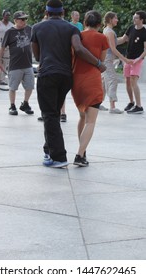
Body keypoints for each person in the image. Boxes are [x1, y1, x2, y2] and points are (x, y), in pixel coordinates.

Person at [31, 0, 106, 168]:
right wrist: (98, 63)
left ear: (47, 11)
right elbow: (78, 49)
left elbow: (36, 56)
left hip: (47, 74)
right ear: (63, 12)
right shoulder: (72, 28)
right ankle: (48, 149)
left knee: (49, 115)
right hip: (65, 76)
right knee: (54, 114)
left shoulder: (37, 28)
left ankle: (58, 157)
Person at [72, 10, 109, 167]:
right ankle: (80, 155)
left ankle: (83, 149)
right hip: (92, 81)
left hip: (76, 80)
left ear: (85, 22)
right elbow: (101, 59)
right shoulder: (102, 38)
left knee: (82, 117)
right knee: (91, 121)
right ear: (100, 24)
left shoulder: (77, 35)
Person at [0, 11, 35, 116]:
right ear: (16, 20)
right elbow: (2, 47)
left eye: (25, 19)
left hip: (28, 64)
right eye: (22, 19)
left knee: (30, 86)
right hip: (15, 65)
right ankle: (12, 106)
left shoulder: (30, 29)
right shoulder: (10, 32)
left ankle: (25, 103)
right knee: (13, 87)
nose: (24, 21)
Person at [102, 12, 133, 114]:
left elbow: (114, 42)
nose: (117, 20)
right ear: (110, 19)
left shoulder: (108, 30)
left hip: (106, 59)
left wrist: (124, 38)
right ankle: (112, 106)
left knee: (104, 82)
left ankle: (97, 103)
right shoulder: (110, 32)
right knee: (112, 80)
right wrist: (125, 59)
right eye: (116, 18)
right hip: (108, 59)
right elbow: (113, 48)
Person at [118, 11, 146, 114]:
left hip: (137, 60)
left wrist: (139, 59)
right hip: (127, 59)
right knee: (128, 82)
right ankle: (131, 102)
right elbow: (122, 39)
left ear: (141, 20)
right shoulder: (131, 28)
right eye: (134, 17)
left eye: (136, 18)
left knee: (134, 80)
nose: (134, 19)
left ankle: (139, 106)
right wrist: (111, 40)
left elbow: (145, 49)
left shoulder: (144, 32)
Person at [0, 10, 14, 85]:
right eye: (6, 15)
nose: (7, 16)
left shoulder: (11, 25)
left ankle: (2, 79)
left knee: (5, 62)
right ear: (3, 15)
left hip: (7, 45)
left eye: (9, 15)